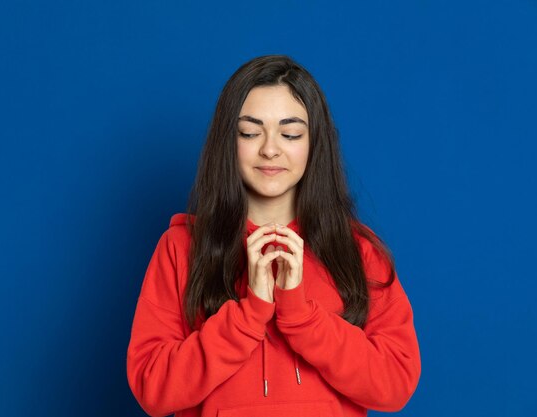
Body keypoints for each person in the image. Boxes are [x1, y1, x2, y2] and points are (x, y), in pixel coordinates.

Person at [126, 55, 421, 417]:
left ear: (315, 143)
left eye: (291, 133)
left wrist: (302, 318)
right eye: (250, 132)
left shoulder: (357, 250)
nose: (270, 148)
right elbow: (152, 388)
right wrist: (247, 316)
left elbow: (395, 384)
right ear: (227, 141)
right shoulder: (180, 248)